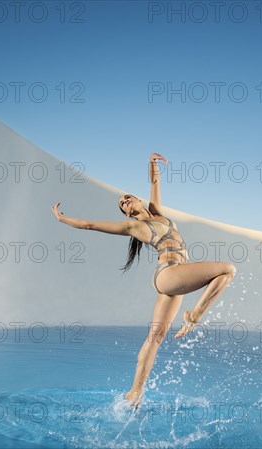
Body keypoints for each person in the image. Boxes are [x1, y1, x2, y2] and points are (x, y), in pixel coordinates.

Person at [51, 152, 237, 409]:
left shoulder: (158, 214)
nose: (125, 201)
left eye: (127, 197)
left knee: (155, 338)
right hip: (169, 274)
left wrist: (152, 165)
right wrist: (62, 219)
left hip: (173, 279)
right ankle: (194, 315)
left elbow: (155, 186)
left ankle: (134, 393)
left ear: (138, 199)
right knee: (227, 269)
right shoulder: (133, 227)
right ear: (126, 214)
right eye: (122, 204)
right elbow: (90, 225)